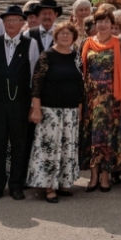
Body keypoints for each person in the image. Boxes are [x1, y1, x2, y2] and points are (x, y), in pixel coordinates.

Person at [0, 6, 41, 201]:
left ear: (23, 23)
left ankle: (16, 185)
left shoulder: (31, 44)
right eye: (8, 21)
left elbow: (34, 77)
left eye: (16, 21)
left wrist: (33, 105)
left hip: (21, 104)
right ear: (3, 23)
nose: (11, 24)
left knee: (19, 145)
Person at [26, 21, 83, 202]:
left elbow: (80, 84)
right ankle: (49, 186)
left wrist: (80, 108)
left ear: (74, 37)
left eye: (69, 33)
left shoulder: (76, 56)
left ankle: (63, 183)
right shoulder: (47, 55)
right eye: (61, 33)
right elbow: (36, 84)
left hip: (71, 111)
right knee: (50, 149)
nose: (65, 36)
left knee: (67, 147)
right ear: (55, 36)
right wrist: (36, 109)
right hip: (50, 111)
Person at [80, 7, 121, 193]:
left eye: (106, 21)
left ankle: (106, 177)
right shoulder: (87, 43)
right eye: (99, 21)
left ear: (112, 24)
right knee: (92, 136)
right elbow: (81, 70)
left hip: (111, 98)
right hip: (90, 97)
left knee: (107, 137)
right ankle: (93, 177)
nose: (102, 24)